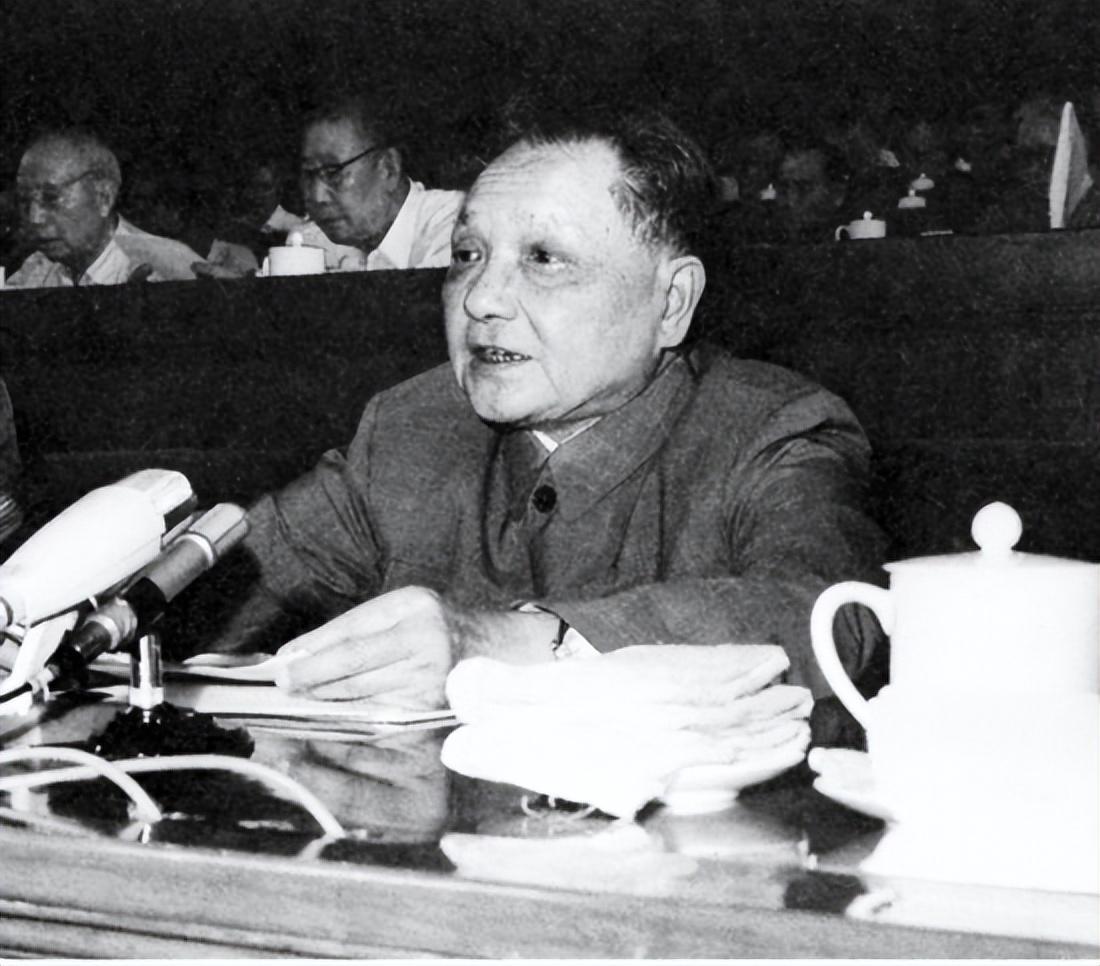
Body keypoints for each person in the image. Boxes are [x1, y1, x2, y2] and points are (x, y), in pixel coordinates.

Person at [210, 108, 885, 711]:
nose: (480, 298)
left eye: (543, 258)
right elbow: (235, 583)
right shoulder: (411, 427)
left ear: (672, 301)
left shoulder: (773, 429)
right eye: (468, 255)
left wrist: (517, 644)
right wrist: (151, 568)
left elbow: (827, 613)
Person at [7, 130, 206, 287]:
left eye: (51, 197)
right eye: (24, 201)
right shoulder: (36, 269)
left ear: (104, 197)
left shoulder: (169, 267)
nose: (34, 218)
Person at [295, 93, 464, 272]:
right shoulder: (314, 243)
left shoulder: (456, 224)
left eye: (333, 172)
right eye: (309, 173)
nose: (317, 196)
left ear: (388, 168)